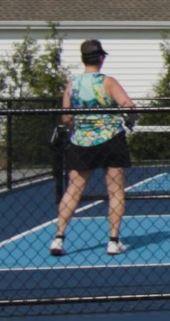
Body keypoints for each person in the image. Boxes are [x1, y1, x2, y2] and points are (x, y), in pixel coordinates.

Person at [50, 39, 138, 257]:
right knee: (115, 190)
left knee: (73, 189)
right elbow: (129, 105)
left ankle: (59, 238)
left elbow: (66, 117)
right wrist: (130, 119)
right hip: (111, 140)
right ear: (100, 58)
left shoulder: (72, 85)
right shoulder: (108, 82)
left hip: (81, 142)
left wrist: (80, 125)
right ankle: (113, 241)